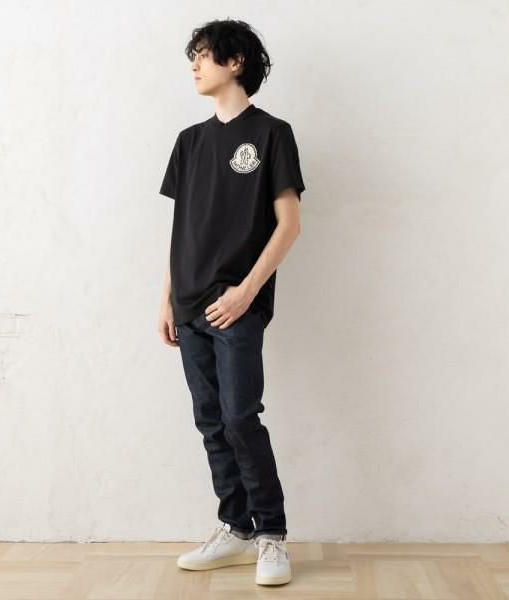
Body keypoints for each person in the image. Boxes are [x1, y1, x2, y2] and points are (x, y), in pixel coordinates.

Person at [157, 18, 306, 587]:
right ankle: (236, 528)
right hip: (189, 305)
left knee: (242, 417)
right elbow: (181, 231)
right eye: (192, 56)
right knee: (211, 420)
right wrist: (167, 300)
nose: (194, 65)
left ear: (235, 61)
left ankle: (271, 534)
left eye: (203, 54)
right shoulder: (189, 142)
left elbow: (289, 225)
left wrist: (247, 292)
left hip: (236, 305)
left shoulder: (272, 134)